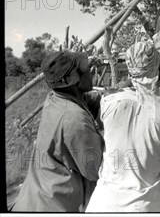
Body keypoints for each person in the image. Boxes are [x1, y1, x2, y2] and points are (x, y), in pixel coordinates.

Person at [85, 36, 160, 212]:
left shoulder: (108, 101)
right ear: (157, 69)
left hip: (101, 203)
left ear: (129, 68)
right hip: (141, 206)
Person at [12, 52, 103, 212]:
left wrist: (107, 97)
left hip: (36, 198)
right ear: (75, 80)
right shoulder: (75, 119)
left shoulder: (55, 99)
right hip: (54, 205)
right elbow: (95, 169)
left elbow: (85, 100)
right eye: (87, 69)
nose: (91, 71)